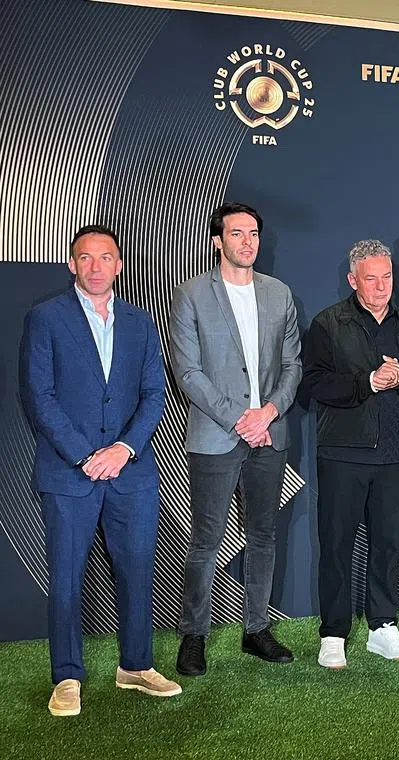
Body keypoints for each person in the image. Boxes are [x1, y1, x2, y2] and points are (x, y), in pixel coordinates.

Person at [20, 224, 180, 716]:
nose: (95, 267)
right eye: (85, 258)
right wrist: (86, 455)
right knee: (66, 578)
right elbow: (37, 397)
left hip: (131, 472)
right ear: (72, 263)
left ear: (119, 264)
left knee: (136, 570)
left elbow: (156, 394)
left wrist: (124, 449)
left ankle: (135, 666)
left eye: (105, 257)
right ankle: (67, 677)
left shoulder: (140, 321)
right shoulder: (45, 318)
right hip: (70, 474)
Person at [169, 202, 302, 676]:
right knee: (206, 541)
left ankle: (256, 628)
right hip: (216, 436)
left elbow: (293, 365)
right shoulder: (190, 296)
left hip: (270, 432)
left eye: (254, 233)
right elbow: (187, 371)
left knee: (263, 535)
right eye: (237, 233)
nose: (248, 241)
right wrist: (238, 418)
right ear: (217, 241)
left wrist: (266, 413)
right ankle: (194, 635)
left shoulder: (279, 293)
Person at [301, 240, 399, 669]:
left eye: (387, 277)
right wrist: (368, 382)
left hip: (398, 453)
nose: (381, 286)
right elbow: (313, 385)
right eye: (371, 278)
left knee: (387, 543)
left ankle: (383, 625)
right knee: (336, 544)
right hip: (343, 452)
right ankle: (333, 632)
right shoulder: (328, 323)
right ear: (352, 280)